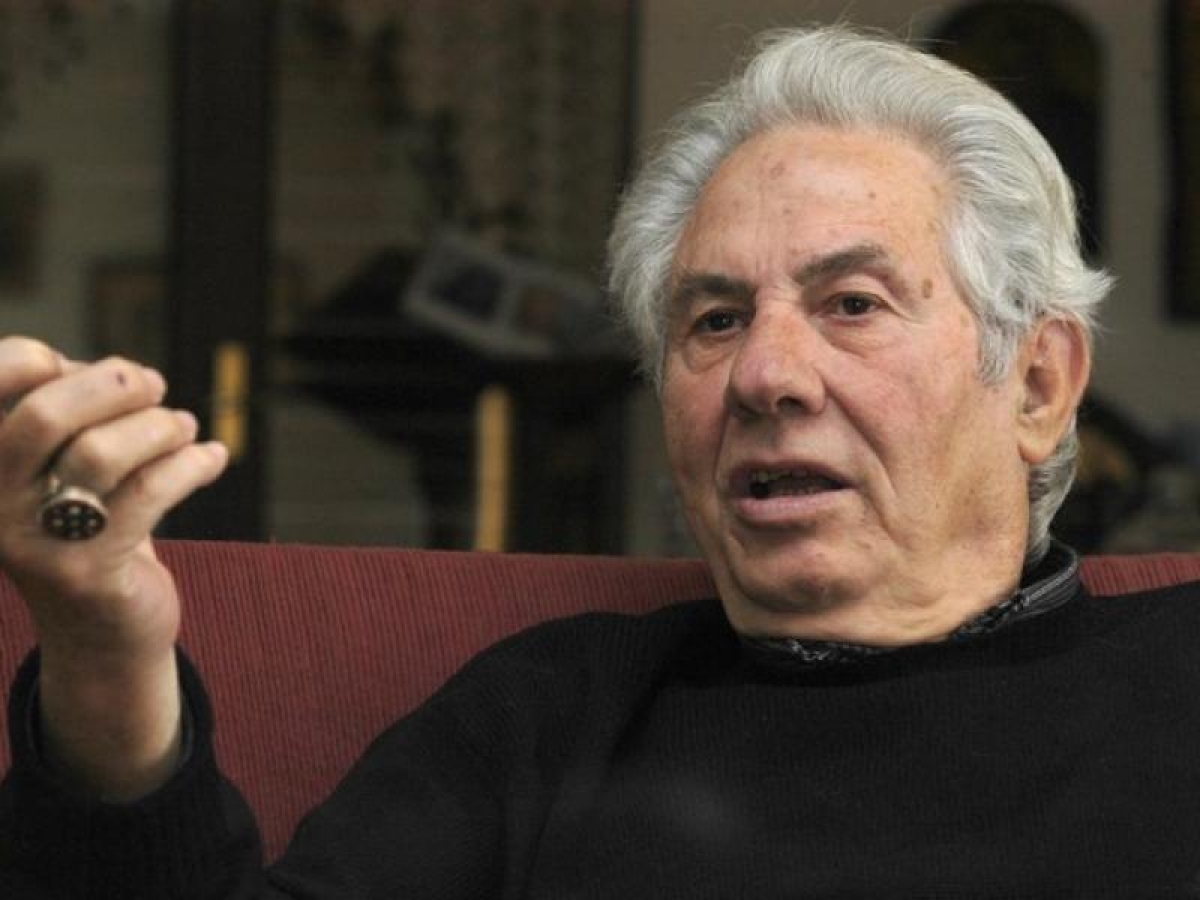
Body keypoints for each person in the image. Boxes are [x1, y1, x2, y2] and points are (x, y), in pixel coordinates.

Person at [2, 23, 1199, 898]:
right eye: (715, 319)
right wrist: (104, 643)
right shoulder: (550, 719)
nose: (765, 376)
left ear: (1038, 384)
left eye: (852, 303)